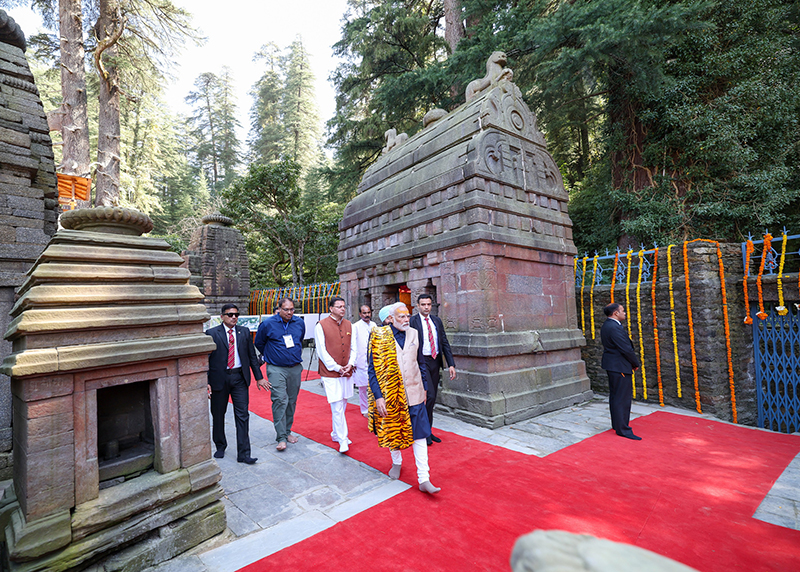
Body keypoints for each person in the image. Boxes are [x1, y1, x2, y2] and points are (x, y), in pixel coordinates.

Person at [368, 302, 440, 494]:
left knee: (421, 434)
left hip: (415, 392)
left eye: (408, 315)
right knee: (394, 431)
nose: (406, 319)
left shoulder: (415, 333)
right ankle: (397, 462)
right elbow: (373, 370)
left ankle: (424, 478)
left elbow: (421, 363)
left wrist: (425, 387)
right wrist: (378, 397)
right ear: (390, 319)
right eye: (401, 316)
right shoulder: (379, 336)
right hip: (391, 394)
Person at [206, 304, 264, 464]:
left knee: (243, 415)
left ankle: (244, 453)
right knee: (218, 414)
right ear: (222, 316)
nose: (234, 317)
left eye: (236, 314)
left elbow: (252, 356)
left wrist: (259, 377)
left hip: (239, 378)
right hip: (219, 379)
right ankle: (220, 445)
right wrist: (206, 381)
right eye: (230, 314)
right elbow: (206, 360)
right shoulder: (211, 333)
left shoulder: (244, 332)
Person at [255, 297, 306, 451]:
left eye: (292, 309)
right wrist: (272, 355)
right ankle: (281, 437)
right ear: (279, 309)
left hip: (295, 368)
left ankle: (287, 431)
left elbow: (300, 339)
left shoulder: (299, 323)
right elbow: (259, 342)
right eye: (286, 309)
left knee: (291, 401)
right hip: (276, 368)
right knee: (279, 400)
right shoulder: (268, 324)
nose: (289, 312)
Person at [410, 294, 456, 446]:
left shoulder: (436, 321)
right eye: (423, 304)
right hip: (420, 362)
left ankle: (427, 430)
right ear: (418, 305)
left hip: (435, 361)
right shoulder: (412, 321)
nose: (426, 307)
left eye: (429, 304)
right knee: (427, 397)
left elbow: (444, 342)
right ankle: (422, 431)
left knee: (432, 397)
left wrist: (451, 364)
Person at [314, 296, 357, 453]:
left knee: (343, 403)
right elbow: (321, 352)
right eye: (339, 306)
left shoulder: (349, 325)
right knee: (337, 405)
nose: (342, 309)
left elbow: (354, 347)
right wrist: (337, 367)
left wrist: (350, 364)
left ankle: (335, 433)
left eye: (344, 306)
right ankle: (343, 439)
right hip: (330, 373)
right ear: (331, 308)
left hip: (347, 371)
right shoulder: (321, 325)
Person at [600, 303, 642, 440]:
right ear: (615, 313)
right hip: (619, 366)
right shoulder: (613, 327)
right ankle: (623, 429)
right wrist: (635, 363)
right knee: (622, 398)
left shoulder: (608, 325)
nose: (625, 313)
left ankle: (617, 424)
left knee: (616, 396)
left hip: (614, 365)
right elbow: (626, 349)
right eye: (622, 311)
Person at [352, 304, 377, 417]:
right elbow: (353, 345)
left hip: (374, 360)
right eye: (364, 313)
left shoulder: (374, 325)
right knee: (363, 388)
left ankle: (375, 407)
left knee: (374, 386)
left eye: (368, 312)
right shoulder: (355, 326)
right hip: (361, 360)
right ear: (360, 314)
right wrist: (354, 361)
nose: (367, 315)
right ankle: (364, 409)